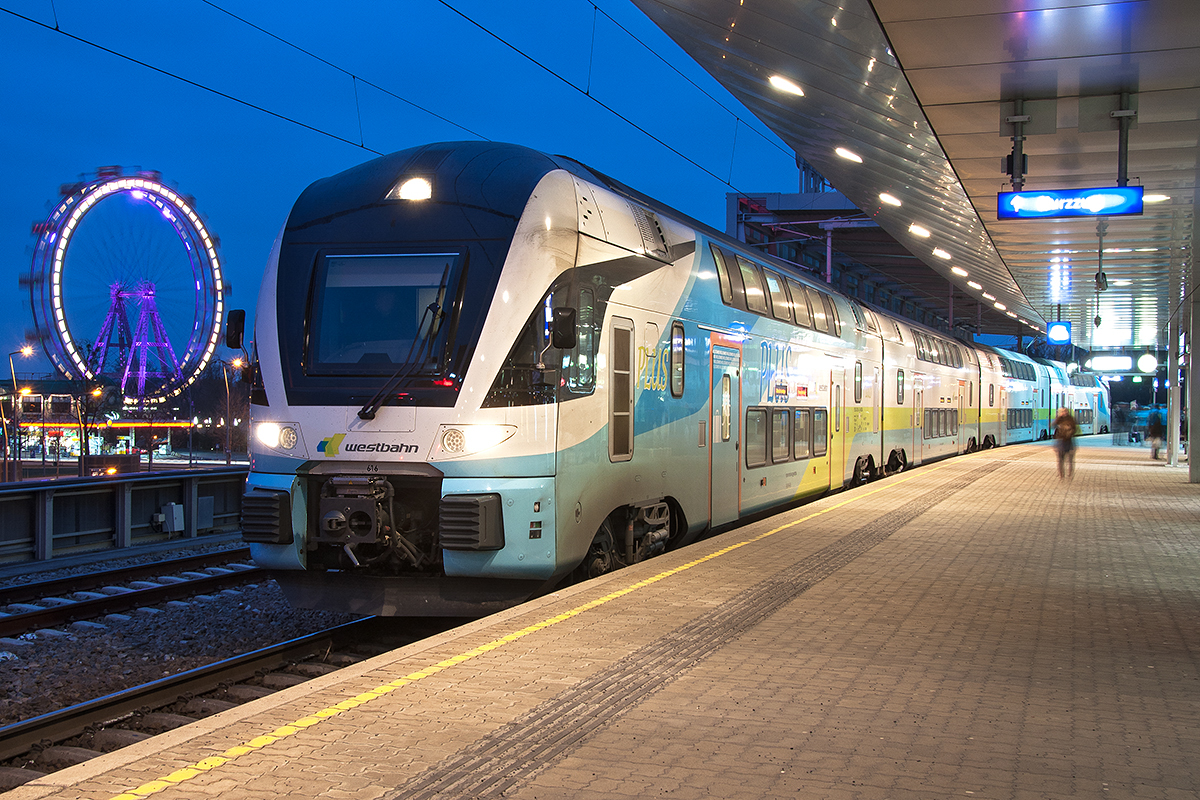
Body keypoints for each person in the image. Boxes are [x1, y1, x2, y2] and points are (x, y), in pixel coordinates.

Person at [1053, 407, 1078, 480]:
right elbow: (1052, 426)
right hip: (1061, 441)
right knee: (1060, 459)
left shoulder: (1071, 419)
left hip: (1069, 441)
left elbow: (1074, 429)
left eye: (1065, 411)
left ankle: (1070, 473)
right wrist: (1058, 418)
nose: (1064, 413)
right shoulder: (1059, 419)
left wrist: (1069, 432)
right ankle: (1061, 474)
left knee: (1070, 460)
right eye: (1062, 412)